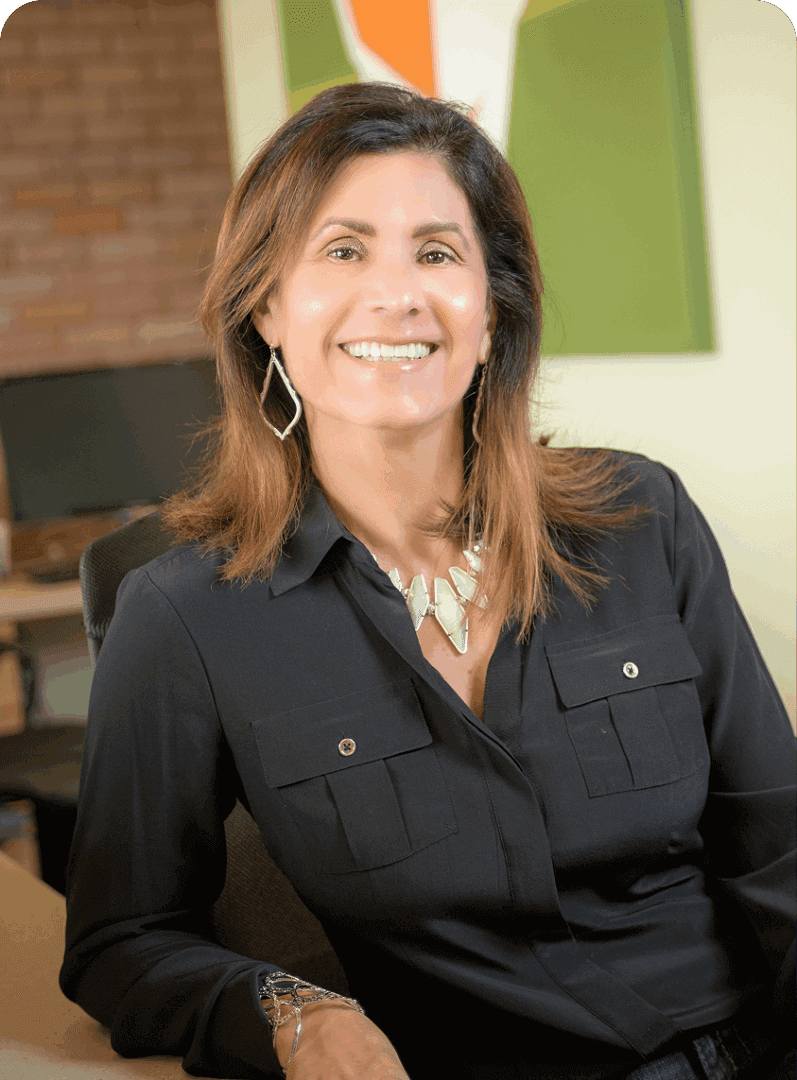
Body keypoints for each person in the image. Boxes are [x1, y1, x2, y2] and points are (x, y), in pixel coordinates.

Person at [60, 83, 795, 1080]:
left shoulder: (642, 518)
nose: (395, 293)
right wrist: (291, 1013)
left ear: (489, 315)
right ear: (267, 306)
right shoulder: (183, 616)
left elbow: (777, 851)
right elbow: (122, 941)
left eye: (437, 252)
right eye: (344, 249)